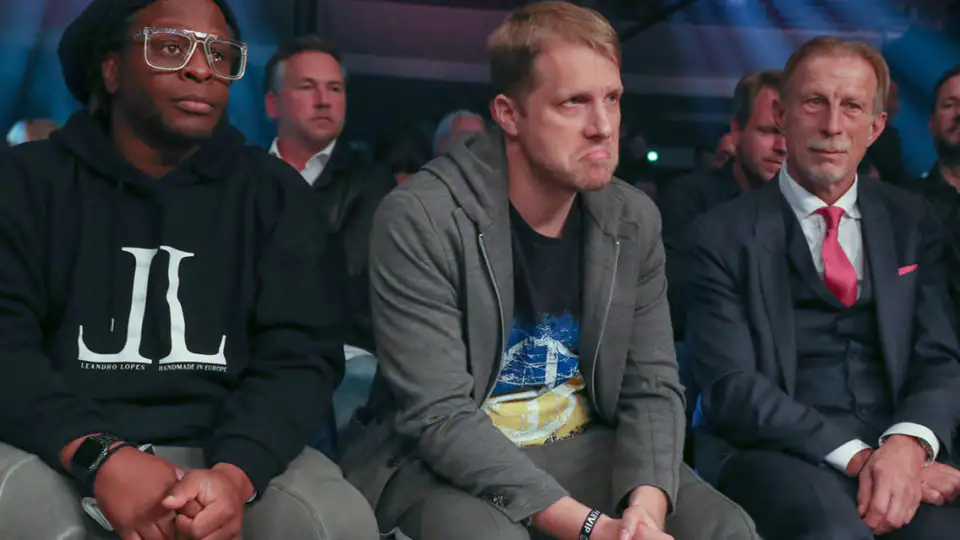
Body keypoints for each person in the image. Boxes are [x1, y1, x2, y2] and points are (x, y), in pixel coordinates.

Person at [340, 3, 757, 540]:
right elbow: (438, 416)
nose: (602, 127)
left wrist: (645, 512)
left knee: (725, 528)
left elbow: (652, 385)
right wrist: (591, 528)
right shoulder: (421, 216)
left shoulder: (632, 218)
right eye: (573, 103)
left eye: (612, 99)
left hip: (581, 444)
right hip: (438, 460)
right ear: (508, 114)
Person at [0, 1, 379, 539]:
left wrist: (235, 474)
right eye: (171, 47)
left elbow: (300, 355)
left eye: (219, 54)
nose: (201, 69)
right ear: (111, 69)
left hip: (226, 450)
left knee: (337, 521)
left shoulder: (275, 195)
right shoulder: (26, 183)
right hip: (57, 445)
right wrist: (100, 456)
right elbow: (7, 349)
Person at [686, 36, 960, 539]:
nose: (832, 125)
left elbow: (940, 356)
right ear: (783, 115)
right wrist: (864, 460)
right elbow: (732, 387)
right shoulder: (719, 234)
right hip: (775, 451)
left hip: (896, 443)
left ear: (875, 127)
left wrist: (907, 445)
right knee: (834, 532)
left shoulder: (913, 220)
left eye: (852, 106)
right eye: (815, 102)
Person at [264, 35, 394, 354]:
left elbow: (344, 285)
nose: (324, 100)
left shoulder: (373, 182)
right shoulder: (243, 175)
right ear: (272, 105)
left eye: (335, 88)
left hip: (340, 355)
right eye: (307, 87)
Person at [661, 69, 786, 340]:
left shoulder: (809, 209)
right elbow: (677, 300)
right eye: (769, 131)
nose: (782, 146)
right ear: (736, 131)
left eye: (792, 134)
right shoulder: (690, 198)